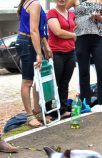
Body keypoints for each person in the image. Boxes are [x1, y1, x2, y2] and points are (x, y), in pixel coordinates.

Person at [66, 0, 102, 112]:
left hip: (98, 36)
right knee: (84, 71)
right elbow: (63, 11)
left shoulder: (99, 0)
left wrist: (99, 17)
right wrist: (72, 23)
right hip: (81, 37)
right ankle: (86, 102)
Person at [16, 0, 52, 128]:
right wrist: (39, 53)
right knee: (28, 81)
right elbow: (34, 31)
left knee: (37, 79)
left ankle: (37, 112)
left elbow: (39, 30)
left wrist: (46, 46)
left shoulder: (31, 3)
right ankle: (30, 116)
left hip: (28, 41)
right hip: (27, 43)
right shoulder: (34, 4)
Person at [47, 0, 76, 119]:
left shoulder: (71, 14)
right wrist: (74, 35)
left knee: (65, 83)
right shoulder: (52, 13)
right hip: (57, 52)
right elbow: (58, 32)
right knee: (54, 83)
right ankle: (51, 111)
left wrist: (73, 34)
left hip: (70, 52)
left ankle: (63, 109)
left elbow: (75, 28)